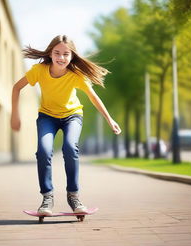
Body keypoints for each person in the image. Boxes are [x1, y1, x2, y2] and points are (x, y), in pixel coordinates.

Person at [11, 35, 121, 216]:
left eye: (66, 54)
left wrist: (110, 119)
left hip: (72, 116)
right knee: (44, 151)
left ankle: (73, 196)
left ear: (72, 56)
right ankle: (47, 198)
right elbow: (16, 87)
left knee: (70, 147)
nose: (61, 58)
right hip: (47, 116)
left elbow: (93, 97)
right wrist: (15, 115)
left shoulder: (76, 75)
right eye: (57, 53)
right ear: (50, 53)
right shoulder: (39, 70)